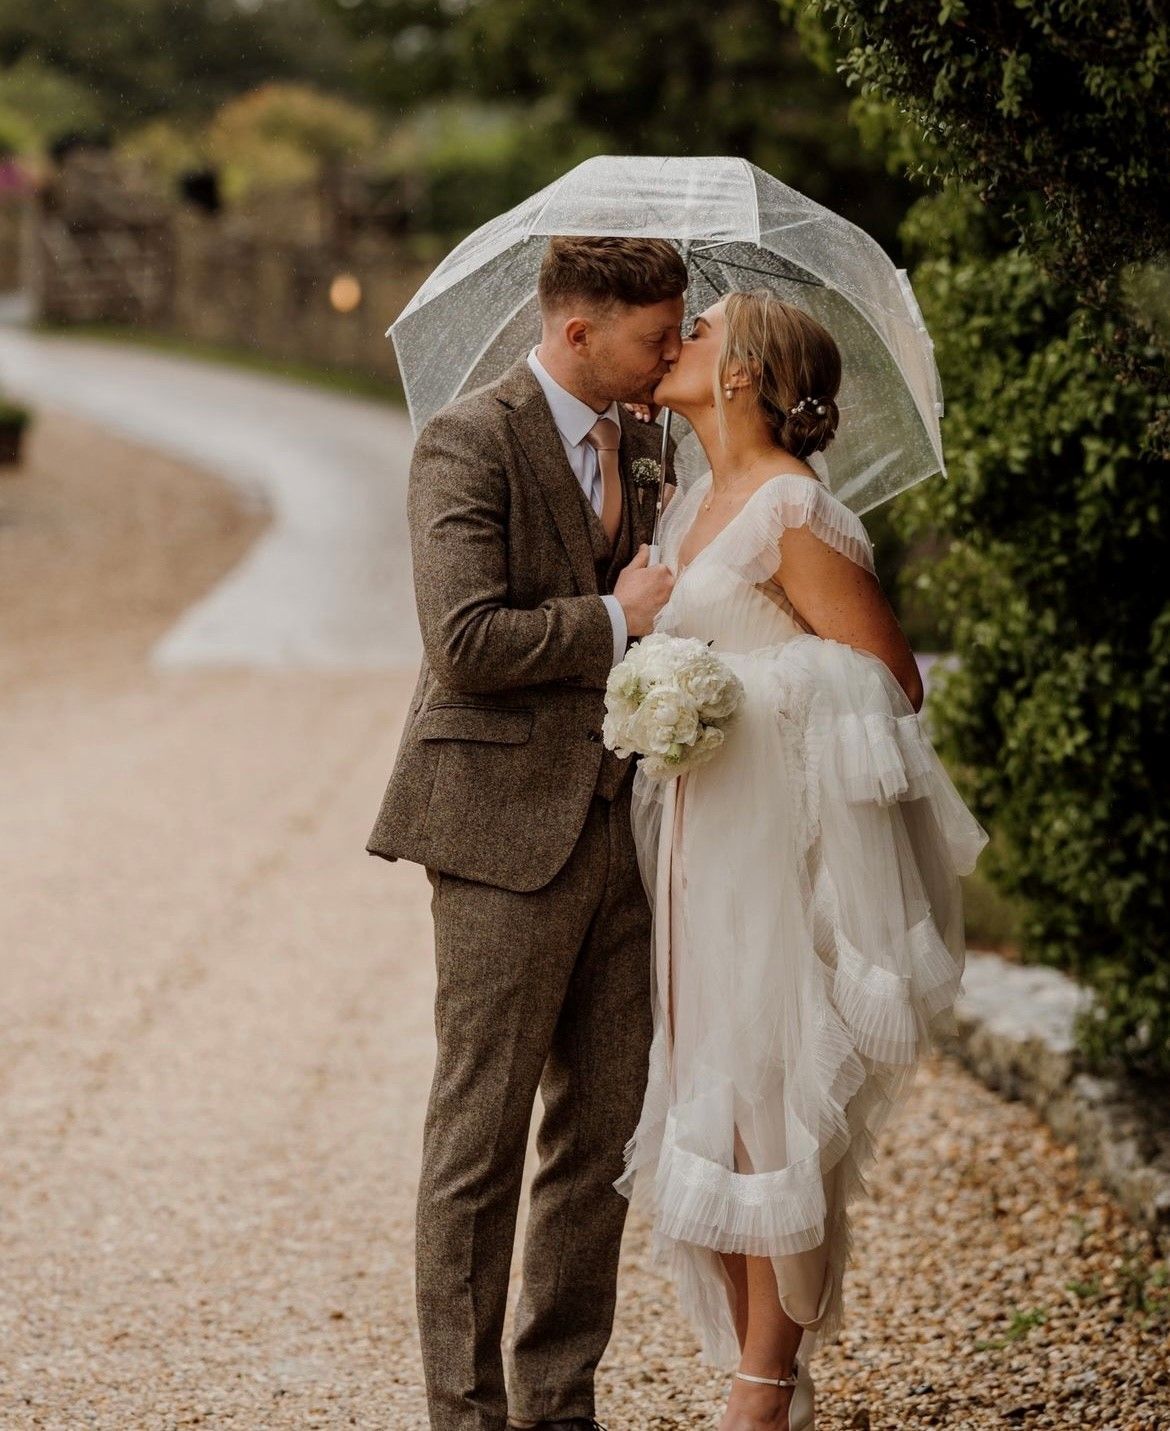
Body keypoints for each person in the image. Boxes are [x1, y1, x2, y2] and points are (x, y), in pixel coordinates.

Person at [616, 290, 989, 1431]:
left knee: (775, 1091)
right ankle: (757, 1361)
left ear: (743, 373)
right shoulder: (685, 511)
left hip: (777, 854)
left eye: (704, 328)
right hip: (695, 846)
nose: (677, 338)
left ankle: (763, 1388)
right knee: (709, 1093)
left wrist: (726, 691)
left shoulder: (790, 507)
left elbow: (888, 678)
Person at [366, 236, 687, 1431]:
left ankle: (559, 1405)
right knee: (481, 1137)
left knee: (598, 1140)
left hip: (629, 828)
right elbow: (464, 642)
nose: (671, 356)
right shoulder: (467, 439)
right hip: (500, 833)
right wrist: (615, 616)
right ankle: (466, 1414)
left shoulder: (649, 442)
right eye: (657, 335)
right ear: (578, 332)